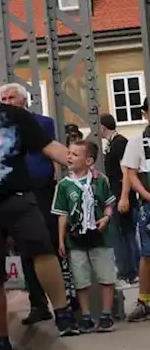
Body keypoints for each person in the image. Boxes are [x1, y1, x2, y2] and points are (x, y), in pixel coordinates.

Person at [0, 69, 72, 350]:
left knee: (42, 250)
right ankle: (1, 342)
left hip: (17, 197)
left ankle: (63, 314)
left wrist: (75, 161)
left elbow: (48, 146)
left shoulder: (15, 116)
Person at [0, 82, 60, 326]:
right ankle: (37, 303)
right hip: (18, 191)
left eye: (13, 97)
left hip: (43, 190)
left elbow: (50, 149)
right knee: (25, 250)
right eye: (4, 98)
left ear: (24, 100)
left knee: (49, 245)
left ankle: (63, 303)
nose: (8, 101)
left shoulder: (41, 122)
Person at [51, 140, 116, 333]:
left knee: (106, 275)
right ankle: (86, 315)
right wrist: (61, 239)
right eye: (68, 153)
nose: (69, 157)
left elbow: (109, 204)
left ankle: (106, 314)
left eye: (75, 154)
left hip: (100, 236)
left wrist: (106, 217)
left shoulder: (99, 180)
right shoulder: (64, 185)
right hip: (75, 239)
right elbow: (62, 214)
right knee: (80, 278)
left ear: (88, 161)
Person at [97, 114, 139, 288]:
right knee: (124, 233)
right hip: (119, 193)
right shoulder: (115, 143)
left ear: (103, 127)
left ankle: (127, 272)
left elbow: (125, 170)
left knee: (121, 234)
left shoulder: (119, 143)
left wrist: (123, 196)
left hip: (121, 194)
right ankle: (131, 271)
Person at [117, 99, 150, 321]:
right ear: (145, 113)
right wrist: (145, 195)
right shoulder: (138, 142)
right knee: (147, 254)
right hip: (149, 203)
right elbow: (131, 171)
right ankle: (144, 300)